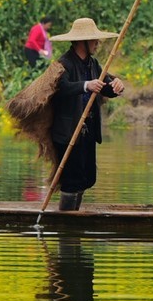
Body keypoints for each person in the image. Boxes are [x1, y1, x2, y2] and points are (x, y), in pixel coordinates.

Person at [49, 17, 125, 211]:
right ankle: (67, 223)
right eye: (93, 40)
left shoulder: (93, 64)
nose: (97, 44)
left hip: (87, 131)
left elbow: (105, 87)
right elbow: (61, 88)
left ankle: (73, 218)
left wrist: (116, 85)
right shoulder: (63, 64)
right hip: (68, 132)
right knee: (71, 180)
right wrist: (86, 85)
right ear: (81, 42)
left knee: (87, 178)